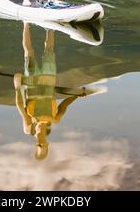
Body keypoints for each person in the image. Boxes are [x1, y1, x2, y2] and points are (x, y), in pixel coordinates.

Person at [14, 22, 86, 161]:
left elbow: (20, 106)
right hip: (48, 79)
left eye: (38, 147)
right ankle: (51, 24)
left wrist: (17, 88)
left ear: (35, 146)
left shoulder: (29, 127)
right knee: (49, 50)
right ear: (47, 144)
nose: (40, 145)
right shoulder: (55, 120)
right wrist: (77, 94)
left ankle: (26, 24)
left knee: (29, 52)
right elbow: (64, 105)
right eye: (43, 147)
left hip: (32, 82)